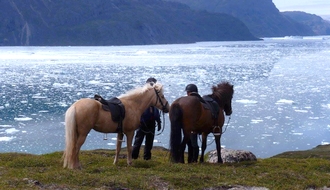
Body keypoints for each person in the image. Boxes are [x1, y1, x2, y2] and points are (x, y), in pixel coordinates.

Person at [132, 77, 162, 160]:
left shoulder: (154, 96)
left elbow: (156, 110)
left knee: (149, 142)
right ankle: (134, 156)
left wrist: (159, 121)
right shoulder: (141, 95)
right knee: (138, 140)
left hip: (151, 122)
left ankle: (147, 157)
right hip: (142, 122)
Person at [185, 84, 200, 163]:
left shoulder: (191, 103)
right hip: (193, 127)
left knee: (192, 144)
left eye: (188, 92)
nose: (187, 94)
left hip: (191, 127)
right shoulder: (198, 101)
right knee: (193, 144)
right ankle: (193, 160)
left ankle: (192, 160)